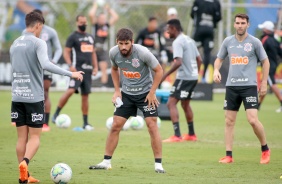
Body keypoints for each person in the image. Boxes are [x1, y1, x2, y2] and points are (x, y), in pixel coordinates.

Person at [10, 11, 83, 183]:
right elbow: (46, 64)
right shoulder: (38, 42)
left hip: (17, 97)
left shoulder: (14, 43)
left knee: (21, 137)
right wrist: (70, 74)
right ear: (38, 25)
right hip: (34, 97)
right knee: (35, 137)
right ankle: (25, 164)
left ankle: (24, 178)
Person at [89, 28, 165, 173]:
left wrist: (152, 92)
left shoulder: (143, 53)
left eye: (126, 43)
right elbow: (113, 69)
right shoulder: (113, 53)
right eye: (121, 43)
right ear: (117, 42)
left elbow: (159, 70)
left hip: (145, 94)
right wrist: (117, 90)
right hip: (127, 94)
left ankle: (158, 165)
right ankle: (106, 162)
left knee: (152, 125)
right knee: (116, 125)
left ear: (132, 42)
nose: (123, 47)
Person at [213, 13, 271, 164]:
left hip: (249, 86)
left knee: (252, 120)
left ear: (248, 25)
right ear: (234, 24)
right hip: (231, 86)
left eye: (243, 23)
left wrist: (264, 82)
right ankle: (228, 155)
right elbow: (219, 59)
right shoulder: (228, 42)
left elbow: (265, 62)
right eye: (237, 23)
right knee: (229, 121)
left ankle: (265, 149)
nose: (240, 26)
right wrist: (216, 70)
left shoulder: (254, 42)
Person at [52, 15, 98, 131]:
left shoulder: (90, 37)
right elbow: (66, 52)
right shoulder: (73, 37)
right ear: (77, 23)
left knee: (85, 96)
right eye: (81, 22)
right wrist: (70, 66)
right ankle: (56, 114)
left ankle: (86, 123)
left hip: (87, 71)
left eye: (85, 22)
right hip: (77, 70)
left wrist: (95, 67)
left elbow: (93, 53)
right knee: (70, 91)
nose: (84, 24)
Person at [161, 19, 202, 143]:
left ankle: (177, 135)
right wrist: (196, 74)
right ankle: (191, 134)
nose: (167, 32)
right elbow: (199, 59)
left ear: (174, 28)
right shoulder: (189, 40)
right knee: (185, 104)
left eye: (168, 29)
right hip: (193, 77)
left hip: (184, 77)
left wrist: (165, 74)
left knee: (171, 103)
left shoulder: (177, 42)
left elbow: (178, 62)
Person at [32, 9, 62, 132]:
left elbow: (59, 49)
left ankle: (45, 122)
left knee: (44, 93)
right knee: (31, 93)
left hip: (45, 66)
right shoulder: (29, 32)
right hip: (32, 66)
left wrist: (53, 61)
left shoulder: (50, 32)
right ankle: (31, 120)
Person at [88, 1, 119, 87]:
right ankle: (87, 83)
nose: (103, 19)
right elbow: (91, 14)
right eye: (101, 18)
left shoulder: (106, 26)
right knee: (90, 67)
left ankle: (103, 85)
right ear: (98, 19)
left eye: (104, 18)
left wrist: (109, 9)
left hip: (102, 49)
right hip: (93, 49)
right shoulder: (95, 25)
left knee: (104, 67)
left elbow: (116, 17)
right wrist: (95, 5)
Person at [191, 0, 221, 83]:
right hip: (210, 31)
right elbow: (218, 17)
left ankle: (193, 75)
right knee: (207, 53)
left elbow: (192, 14)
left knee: (193, 52)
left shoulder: (198, 1)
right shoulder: (216, 2)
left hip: (199, 31)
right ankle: (203, 76)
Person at [257, 21, 282, 112]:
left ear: (267, 30)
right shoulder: (275, 41)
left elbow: (259, 52)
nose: (262, 30)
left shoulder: (265, 39)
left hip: (268, 66)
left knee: (272, 84)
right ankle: (258, 104)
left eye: (264, 28)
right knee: (265, 85)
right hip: (274, 65)